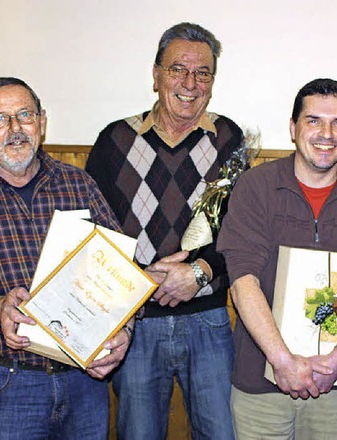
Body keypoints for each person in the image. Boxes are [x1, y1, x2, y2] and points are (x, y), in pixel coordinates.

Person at [0, 77, 130, 439]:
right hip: (8, 384)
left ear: (42, 122)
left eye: (25, 115)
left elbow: (122, 273)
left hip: (85, 383)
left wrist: (124, 331)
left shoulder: (79, 185)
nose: (14, 129)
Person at [217, 78, 337, 439]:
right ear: (292, 128)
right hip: (260, 383)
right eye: (313, 120)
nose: (326, 133)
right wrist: (282, 361)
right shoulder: (255, 187)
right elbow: (242, 283)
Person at [85, 22, 242, 439]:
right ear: (155, 75)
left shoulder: (229, 139)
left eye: (203, 73)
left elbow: (242, 232)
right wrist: (141, 279)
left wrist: (198, 273)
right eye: (178, 69)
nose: (191, 83)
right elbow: (92, 234)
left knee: (222, 433)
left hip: (209, 318)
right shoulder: (114, 140)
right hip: (133, 323)